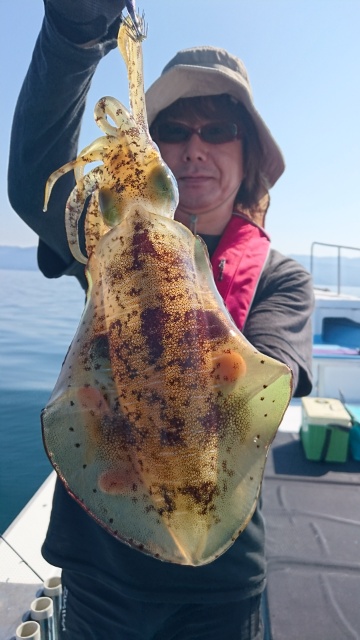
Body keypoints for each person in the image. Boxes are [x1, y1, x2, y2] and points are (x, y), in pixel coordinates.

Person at [8, 2, 314, 638]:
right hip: (100, 574)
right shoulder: (109, 240)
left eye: (219, 128)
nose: (194, 147)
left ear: (248, 151)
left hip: (222, 587)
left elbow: (263, 393)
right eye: (173, 128)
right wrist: (73, 32)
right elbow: (34, 176)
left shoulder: (282, 280)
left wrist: (176, 298)